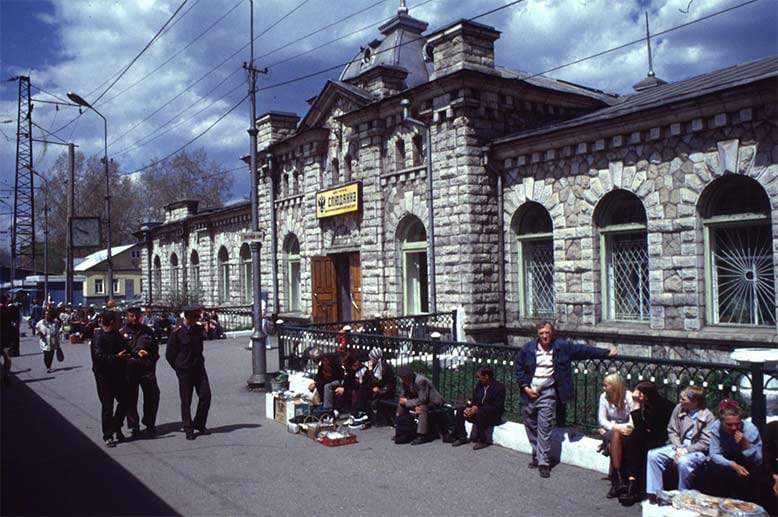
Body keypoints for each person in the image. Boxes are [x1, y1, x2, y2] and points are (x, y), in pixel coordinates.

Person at [515, 320, 616, 478]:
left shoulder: (562, 347)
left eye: (547, 333)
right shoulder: (527, 349)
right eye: (541, 333)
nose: (545, 336)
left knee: (545, 426)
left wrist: (606, 352)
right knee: (530, 425)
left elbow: (583, 350)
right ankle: (537, 452)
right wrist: (526, 388)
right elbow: (519, 369)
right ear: (537, 334)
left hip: (547, 392)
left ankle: (543, 462)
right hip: (528, 393)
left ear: (551, 333)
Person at [645, 385, 715, 501]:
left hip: (696, 450)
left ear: (694, 401)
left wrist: (686, 451)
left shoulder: (707, 416)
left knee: (683, 462)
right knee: (653, 455)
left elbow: (705, 443)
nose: (680, 401)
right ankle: (655, 493)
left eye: (683, 399)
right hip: (678, 445)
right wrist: (678, 448)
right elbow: (672, 430)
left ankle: (683, 496)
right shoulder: (679, 409)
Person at [618, 381, 675, 505]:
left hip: (661, 439)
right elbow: (642, 429)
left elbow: (648, 428)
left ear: (644, 395)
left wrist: (636, 405)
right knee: (630, 439)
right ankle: (630, 481)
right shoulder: (648, 404)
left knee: (635, 441)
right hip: (647, 436)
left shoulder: (662, 407)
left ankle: (633, 483)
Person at [706, 400, 770, 509]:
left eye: (737, 424)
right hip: (728, 461)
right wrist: (732, 465)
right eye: (729, 425)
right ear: (721, 422)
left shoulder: (750, 430)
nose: (734, 428)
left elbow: (759, 460)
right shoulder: (716, 428)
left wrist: (746, 445)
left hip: (747, 461)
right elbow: (714, 453)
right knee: (713, 468)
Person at [165, 306, 212, 440]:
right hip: (184, 370)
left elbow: (200, 348)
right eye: (195, 318)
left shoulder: (197, 329)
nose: (197, 320)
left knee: (206, 395)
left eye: (198, 317)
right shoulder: (177, 332)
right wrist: (178, 367)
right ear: (188, 317)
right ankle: (188, 427)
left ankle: (199, 423)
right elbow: (169, 354)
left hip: (198, 368)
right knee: (186, 400)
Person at [91, 310, 130, 447]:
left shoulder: (117, 334)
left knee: (125, 401)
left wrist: (132, 352)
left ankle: (116, 425)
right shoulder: (98, 337)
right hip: (104, 377)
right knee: (107, 406)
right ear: (112, 322)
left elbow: (125, 348)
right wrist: (116, 357)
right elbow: (98, 358)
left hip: (118, 375)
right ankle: (108, 435)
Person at [444, 366, 506, 450]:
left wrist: (478, 409)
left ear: (486, 376)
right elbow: (474, 400)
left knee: (480, 413)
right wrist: (470, 408)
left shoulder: (499, 388)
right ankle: (461, 436)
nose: (478, 379)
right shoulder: (479, 386)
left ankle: (482, 440)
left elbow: (497, 407)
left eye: (479, 377)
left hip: (492, 416)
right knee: (460, 410)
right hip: (478, 412)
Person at [121, 307, 160, 437]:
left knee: (152, 396)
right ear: (127, 316)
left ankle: (149, 423)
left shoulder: (147, 332)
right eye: (131, 316)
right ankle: (134, 425)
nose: (134, 318)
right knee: (131, 398)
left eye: (137, 316)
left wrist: (150, 359)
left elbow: (155, 350)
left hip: (146, 370)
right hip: (129, 370)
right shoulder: (122, 333)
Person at [597, 373, 635, 498]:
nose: (603, 388)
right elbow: (602, 420)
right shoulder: (604, 397)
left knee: (614, 442)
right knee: (615, 435)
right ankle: (619, 479)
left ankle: (616, 480)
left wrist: (626, 428)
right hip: (611, 429)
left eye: (605, 385)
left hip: (627, 430)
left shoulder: (628, 397)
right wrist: (616, 428)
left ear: (614, 386)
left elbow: (633, 419)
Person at [396, 365, 443, 445]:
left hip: (432, 402)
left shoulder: (420, 381)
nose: (403, 380)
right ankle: (401, 430)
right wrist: (400, 410)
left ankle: (422, 435)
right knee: (402, 403)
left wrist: (407, 402)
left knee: (422, 408)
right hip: (416, 400)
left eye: (404, 378)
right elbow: (402, 396)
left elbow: (423, 399)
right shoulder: (403, 381)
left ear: (410, 376)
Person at [364, 347, 396, 426]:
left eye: (371, 358)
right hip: (380, 388)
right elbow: (369, 380)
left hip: (386, 391)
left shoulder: (383, 367)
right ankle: (362, 414)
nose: (370, 360)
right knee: (362, 389)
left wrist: (370, 370)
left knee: (366, 392)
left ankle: (367, 416)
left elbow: (377, 381)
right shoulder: (377, 366)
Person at [35, 307, 62, 373]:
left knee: (51, 354)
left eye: (48, 314)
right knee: (46, 354)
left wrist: (58, 341)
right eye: (45, 314)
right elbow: (37, 330)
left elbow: (57, 333)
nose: (46, 315)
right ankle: (47, 367)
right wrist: (38, 333)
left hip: (53, 341)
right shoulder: (40, 323)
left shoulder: (54, 323)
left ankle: (49, 366)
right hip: (44, 341)